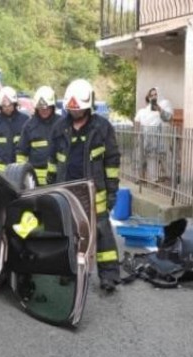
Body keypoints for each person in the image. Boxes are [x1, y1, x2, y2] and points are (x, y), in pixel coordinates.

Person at [48, 79, 122, 292]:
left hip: (94, 191)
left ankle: (109, 276)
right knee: (67, 232)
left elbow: (112, 162)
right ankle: (68, 274)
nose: (75, 113)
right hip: (66, 191)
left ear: (89, 107)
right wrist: (50, 186)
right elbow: (53, 161)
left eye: (79, 109)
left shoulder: (102, 128)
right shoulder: (60, 127)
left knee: (102, 232)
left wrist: (111, 192)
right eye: (72, 110)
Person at [15, 85, 59, 186]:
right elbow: (21, 153)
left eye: (47, 107)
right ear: (36, 108)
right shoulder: (29, 126)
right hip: (35, 181)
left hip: (59, 178)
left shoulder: (61, 124)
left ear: (52, 106)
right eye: (41, 108)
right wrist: (22, 177)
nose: (44, 110)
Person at [0, 86, 29, 173]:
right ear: (0, 106)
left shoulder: (25, 121)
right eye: (4, 106)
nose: (7, 108)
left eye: (10, 105)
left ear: (15, 104)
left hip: (19, 170)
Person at [134, 86, 174, 184]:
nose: (153, 97)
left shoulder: (165, 103)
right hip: (149, 136)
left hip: (162, 135)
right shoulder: (146, 109)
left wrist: (159, 109)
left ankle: (170, 177)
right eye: (151, 95)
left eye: (155, 94)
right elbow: (142, 121)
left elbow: (168, 118)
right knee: (151, 157)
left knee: (165, 157)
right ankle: (153, 179)